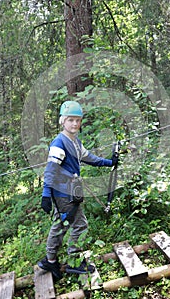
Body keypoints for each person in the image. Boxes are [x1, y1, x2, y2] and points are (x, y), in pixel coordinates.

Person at [38, 100, 118, 279]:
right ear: (62, 121)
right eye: (70, 120)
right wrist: (46, 194)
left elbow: (89, 157)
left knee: (61, 223)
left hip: (70, 191)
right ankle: (74, 261)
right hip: (63, 193)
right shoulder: (59, 142)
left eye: (78, 120)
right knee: (79, 225)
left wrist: (109, 163)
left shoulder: (74, 141)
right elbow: (51, 169)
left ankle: (50, 261)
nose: (74, 123)